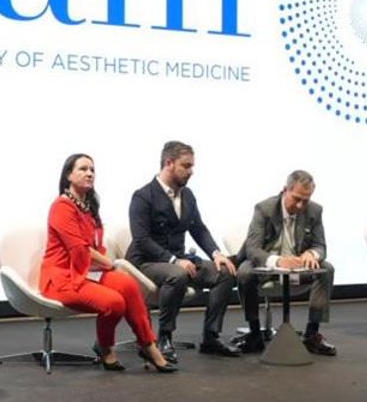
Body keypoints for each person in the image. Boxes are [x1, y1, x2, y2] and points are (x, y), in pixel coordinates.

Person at [41, 155, 175, 372]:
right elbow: (80, 249)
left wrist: (104, 264)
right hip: (62, 277)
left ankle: (148, 346)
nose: (89, 173)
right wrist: (108, 263)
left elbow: (95, 246)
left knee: (128, 284)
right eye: (83, 169)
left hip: (85, 271)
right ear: (68, 175)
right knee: (114, 302)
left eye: (92, 170)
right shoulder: (61, 207)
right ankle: (105, 348)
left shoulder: (88, 206)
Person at [126, 141, 241, 358]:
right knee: (177, 274)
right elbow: (141, 240)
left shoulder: (187, 195)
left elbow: (199, 229)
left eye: (192, 166)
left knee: (225, 272)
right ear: (169, 163)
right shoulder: (143, 196)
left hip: (178, 260)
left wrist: (217, 254)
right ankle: (164, 337)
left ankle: (211, 337)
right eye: (186, 166)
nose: (191, 171)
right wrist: (173, 260)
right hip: (145, 262)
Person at [234, 170, 336, 356]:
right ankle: (255, 333)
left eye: (305, 200)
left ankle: (312, 334)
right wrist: (279, 261)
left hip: (298, 267)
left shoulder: (314, 211)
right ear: (285, 190)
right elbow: (253, 249)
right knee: (244, 272)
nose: (300, 205)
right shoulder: (264, 209)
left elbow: (320, 246)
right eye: (296, 199)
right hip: (266, 265)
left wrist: (312, 254)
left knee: (327, 269)